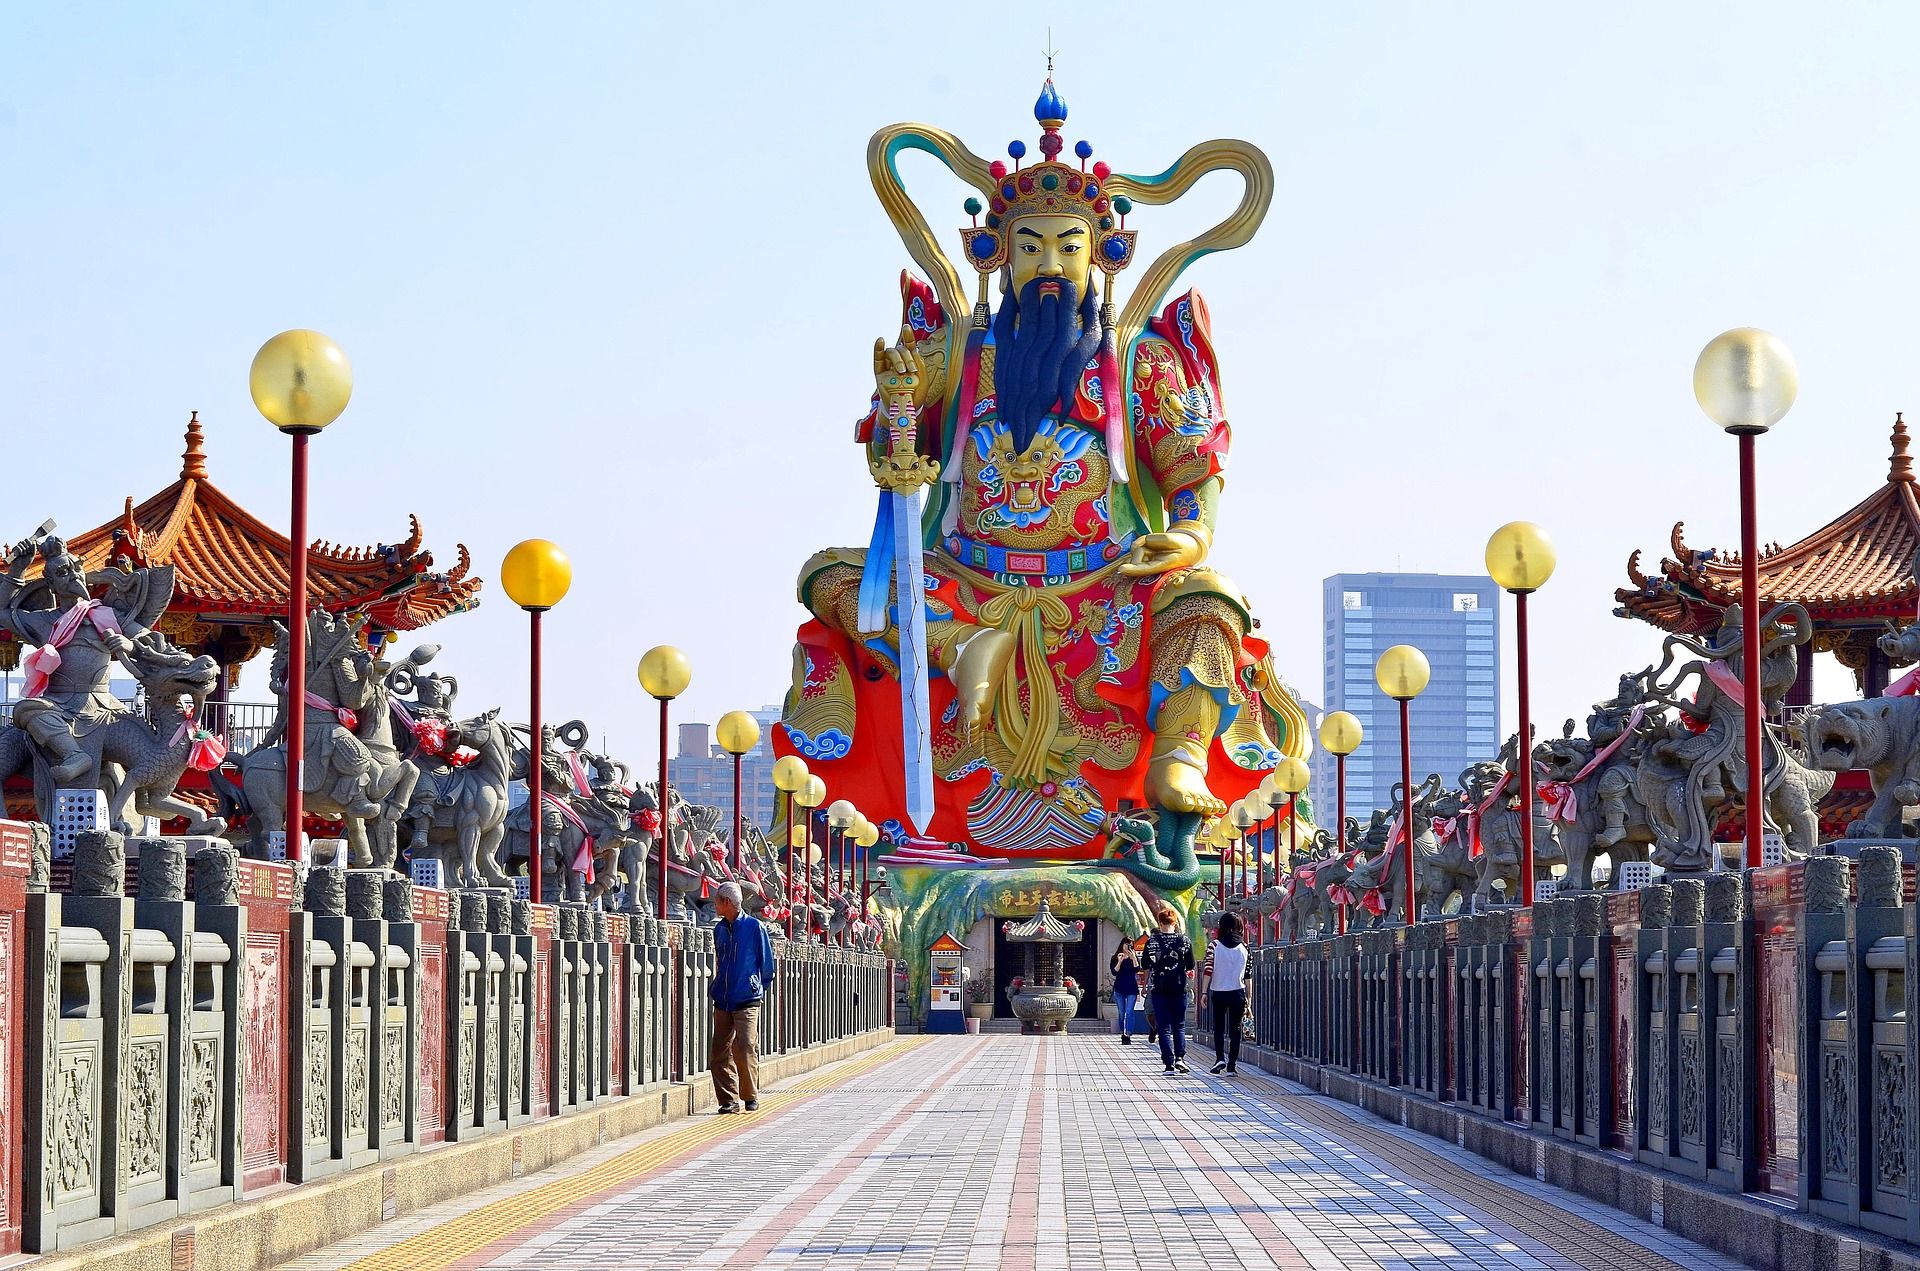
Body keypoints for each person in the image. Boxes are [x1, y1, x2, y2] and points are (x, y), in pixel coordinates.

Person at [709, 881, 775, 1114]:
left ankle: (750, 1095)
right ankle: (727, 1100)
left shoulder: (755, 928)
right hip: (723, 998)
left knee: (746, 1046)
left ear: (727, 902)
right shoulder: (719, 929)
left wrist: (758, 987)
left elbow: (766, 963)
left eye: (716, 900)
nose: (714, 904)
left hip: (747, 997)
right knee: (719, 1051)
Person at [1140, 905, 1194, 1074]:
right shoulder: (1184, 941)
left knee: (1163, 1027)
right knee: (1179, 1025)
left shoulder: (1152, 942)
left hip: (1159, 989)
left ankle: (1169, 1063)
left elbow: (1145, 964)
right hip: (1179, 988)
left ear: (1160, 922)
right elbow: (1191, 964)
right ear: (1175, 923)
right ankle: (1180, 1058)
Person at [1205, 912, 1250, 1075]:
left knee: (1218, 1027)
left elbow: (1208, 969)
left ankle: (1219, 1059)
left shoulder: (1214, 945)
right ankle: (1232, 1065)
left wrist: (1204, 992)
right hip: (1238, 992)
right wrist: (1249, 998)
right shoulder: (1244, 947)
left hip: (1218, 991)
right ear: (1239, 928)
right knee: (1235, 1029)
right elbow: (1247, 974)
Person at [1109, 938, 1142, 1044]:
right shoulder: (1116, 957)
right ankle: (1122, 1033)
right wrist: (1120, 961)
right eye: (1127, 944)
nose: (1128, 947)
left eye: (1131, 945)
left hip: (1131, 988)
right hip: (1119, 988)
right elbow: (1114, 972)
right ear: (1122, 944)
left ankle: (1128, 1033)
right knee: (1122, 1013)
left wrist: (1133, 958)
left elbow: (1137, 969)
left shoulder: (1134, 957)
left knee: (1129, 1012)